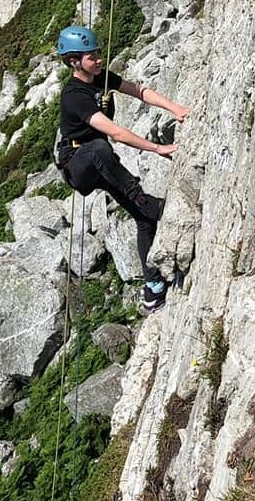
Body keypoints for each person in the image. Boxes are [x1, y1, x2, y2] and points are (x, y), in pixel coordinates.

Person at [55, 25, 188, 311]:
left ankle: (152, 288)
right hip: (78, 163)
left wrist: (175, 108)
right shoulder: (74, 95)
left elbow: (139, 91)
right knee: (101, 148)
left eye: (98, 53)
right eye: (92, 56)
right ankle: (144, 199)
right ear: (74, 61)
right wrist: (157, 148)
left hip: (100, 161)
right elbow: (113, 132)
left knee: (144, 219)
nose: (99, 59)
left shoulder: (101, 78)